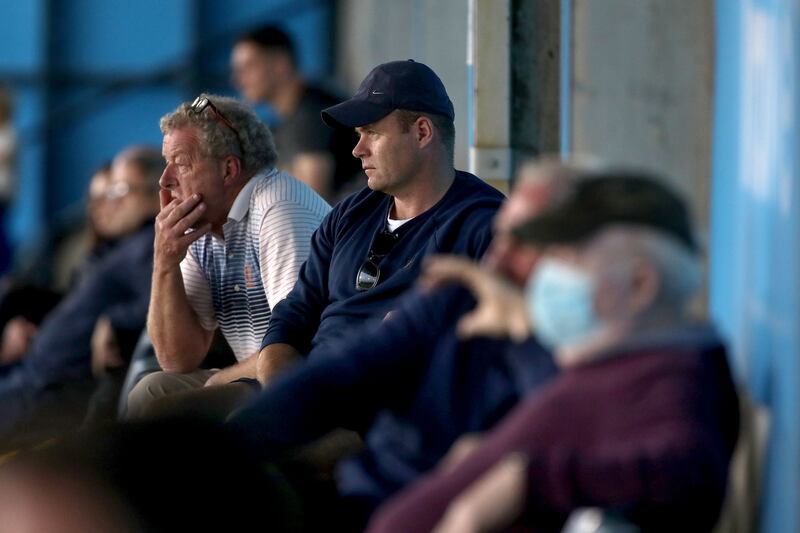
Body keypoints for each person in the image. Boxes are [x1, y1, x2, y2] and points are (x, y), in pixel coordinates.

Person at [366, 171, 741, 533]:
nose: (549, 275)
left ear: (640, 284)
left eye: (568, 258)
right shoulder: (621, 362)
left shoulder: (678, 377)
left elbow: (689, 466)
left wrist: (528, 480)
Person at [228, 161, 573, 531]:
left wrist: (520, 327)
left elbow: (556, 425)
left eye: (527, 242)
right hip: (367, 496)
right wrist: (225, 450)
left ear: (576, 257)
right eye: (502, 236)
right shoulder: (455, 297)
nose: (499, 258)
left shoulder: (582, 344)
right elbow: (340, 372)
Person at [255, 59, 504, 388]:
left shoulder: (485, 225)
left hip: (388, 416)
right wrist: (283, 393)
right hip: (307, 395)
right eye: (359, 135)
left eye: (371, 132)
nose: (358, 150)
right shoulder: (348, 214)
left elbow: (487, 349)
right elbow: (294, 313)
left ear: (422, 133)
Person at [125, 94, 330, 421]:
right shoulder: (203, 223)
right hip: (254, 375)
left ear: (228, 169)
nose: (164, 180)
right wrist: (165, 262)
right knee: (151, 389)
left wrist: (221, 378)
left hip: (304, 378)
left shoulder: (278, 207)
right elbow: (177, 359)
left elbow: (299, 342)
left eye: (180, 162)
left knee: (170, 410)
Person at [0, 146, 163, 441]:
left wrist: (113, 321)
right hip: (32, 376)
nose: (110, 204)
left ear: (157, 193)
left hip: (47, 390)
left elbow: (162, 305)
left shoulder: (149, 244)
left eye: (121, 191)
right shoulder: (121, 247)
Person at [232, 25, 361, 201]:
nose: (239, 81)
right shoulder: (287, 121)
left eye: (248, 67)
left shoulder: (312, 115)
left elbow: (310, 208)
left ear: (280, 65)